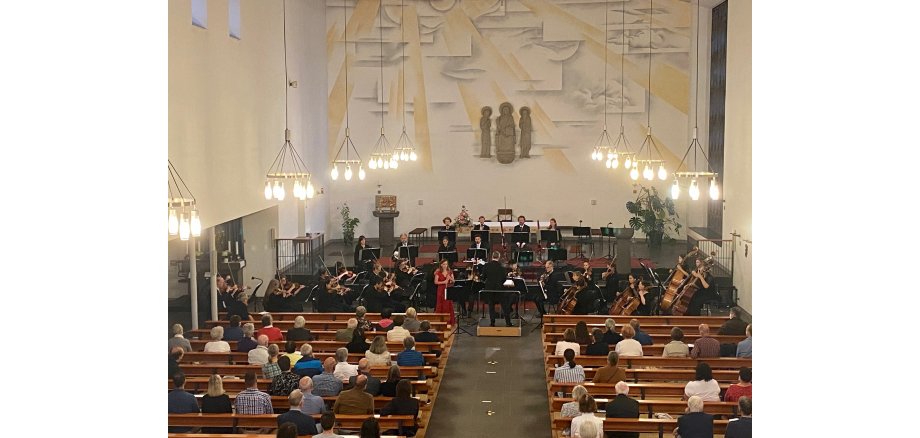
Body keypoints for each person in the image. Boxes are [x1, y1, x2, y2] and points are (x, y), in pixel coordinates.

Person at [482, 251, 512, 327]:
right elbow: (504, 279)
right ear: (498, 257)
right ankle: (508, 323)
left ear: (492, 257)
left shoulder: (486, 266)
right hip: (500, 289)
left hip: (490, 289)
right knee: (504, 306)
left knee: (491, 306)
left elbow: (483, 278)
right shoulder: (502, 267)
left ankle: (492, 323)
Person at [433, 259, 456, 325]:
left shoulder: (450, 271)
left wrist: (450, 278)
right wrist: (444, 281)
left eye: (446, 264)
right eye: (444, 264)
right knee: (440, 304)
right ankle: (440, 321)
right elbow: (435, 282)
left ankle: (449, 321)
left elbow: (453, 281)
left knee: (448, 304)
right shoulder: (438, 272)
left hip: (448, 289)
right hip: (440, 290)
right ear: (441, 265)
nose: (445, 265)